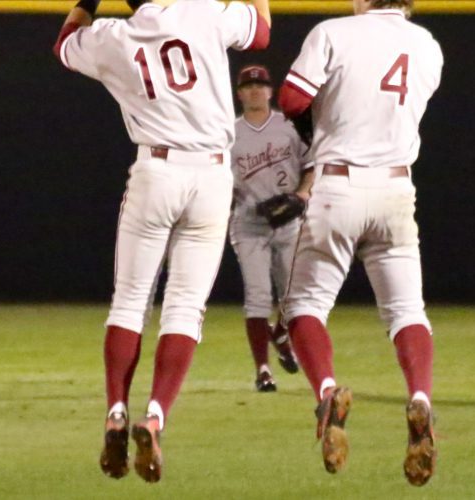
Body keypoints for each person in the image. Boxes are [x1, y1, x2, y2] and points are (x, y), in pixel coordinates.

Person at [53, 0, 270, 483]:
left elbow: (64, 45)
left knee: (130, 303)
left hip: (156, 168)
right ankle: (154, 416)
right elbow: (261, 31)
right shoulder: (205, 12)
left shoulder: (113, 35)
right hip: (212, 175)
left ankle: (114, 411)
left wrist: (86, 4)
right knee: (185, 307)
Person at [276, 0, 443, 486]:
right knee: (407, 311)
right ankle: (420, 399)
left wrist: (316, 117)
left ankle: (326, 391)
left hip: (339, 183)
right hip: (395, 186)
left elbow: (289, 100)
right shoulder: (428, 47)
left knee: (304, 305)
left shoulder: (334, 32)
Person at [229, 64, 312, 392]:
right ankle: (263, 369)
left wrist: (302, 194)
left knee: (295, 299)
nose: (254, 90)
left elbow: (313, 165)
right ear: (239, 94)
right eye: (247, 86)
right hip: (249, 224)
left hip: (289, 221)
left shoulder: (288, 127)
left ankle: (281, 333)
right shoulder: (228, 132)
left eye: (259, 85)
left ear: (270, 90)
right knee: (258, 296)